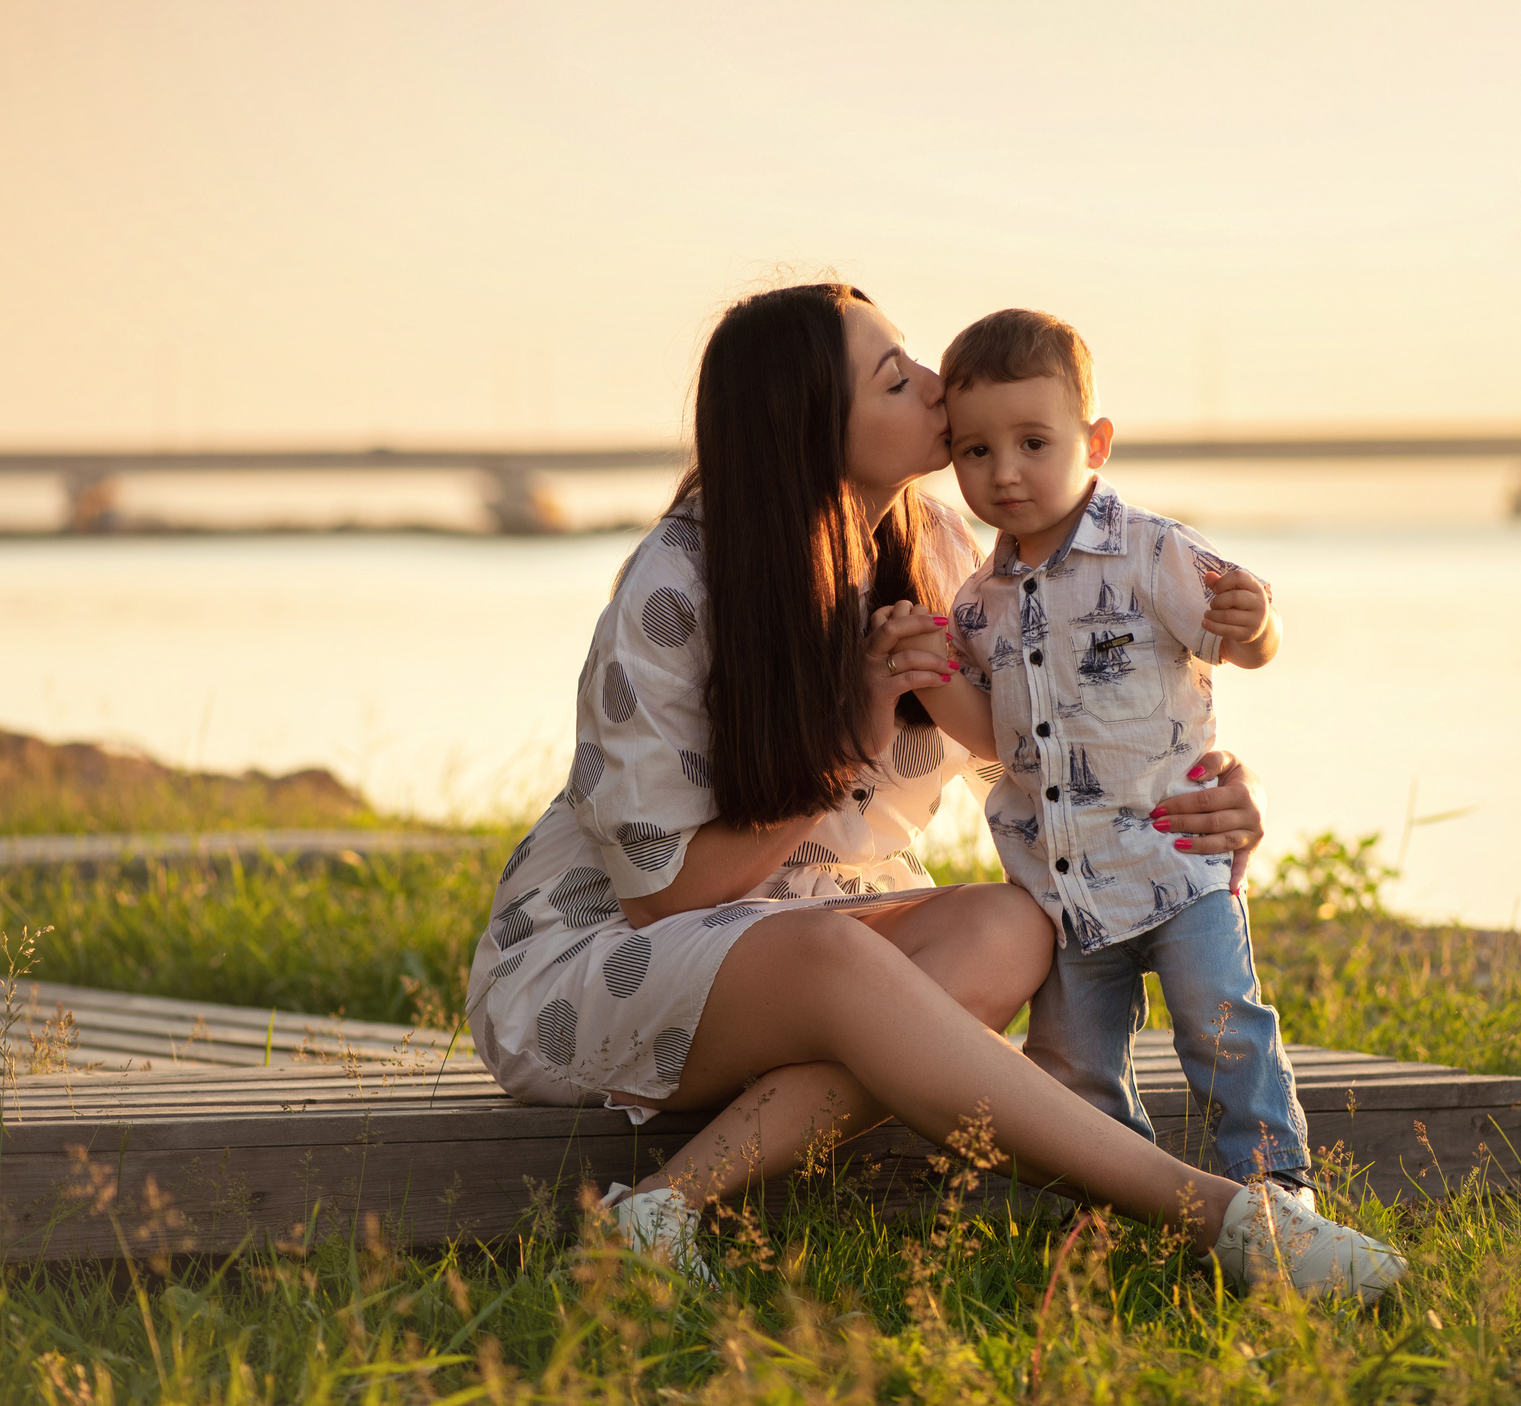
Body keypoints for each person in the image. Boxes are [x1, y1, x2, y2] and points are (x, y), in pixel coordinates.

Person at [462, 281, 1400, 1297]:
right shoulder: (678, 582)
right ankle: (1219, 1213)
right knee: (833, 955)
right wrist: (857, 723)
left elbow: (1063, 739)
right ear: (812, 423)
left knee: (1010, 926)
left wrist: (1213, 789)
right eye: (895, 374)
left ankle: (658, 1211)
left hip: (822, 940)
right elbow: (665, 897)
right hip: (607, 960)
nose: (937, 384)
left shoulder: (949, 549)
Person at [915, 309, 1355, 1255]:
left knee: (1224, 1027)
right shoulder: (976, 604)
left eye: (1035, 443)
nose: (1004, 472)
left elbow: (1242, 643)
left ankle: (1278, 1189)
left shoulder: (1150, 550)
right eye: (974, 449)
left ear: (1095, 442)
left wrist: (1255, 621)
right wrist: (925, 677)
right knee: (1074, 1062)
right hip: (1063, 879)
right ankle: (1121, 1205)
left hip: (1177, 857)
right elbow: (991, 734)